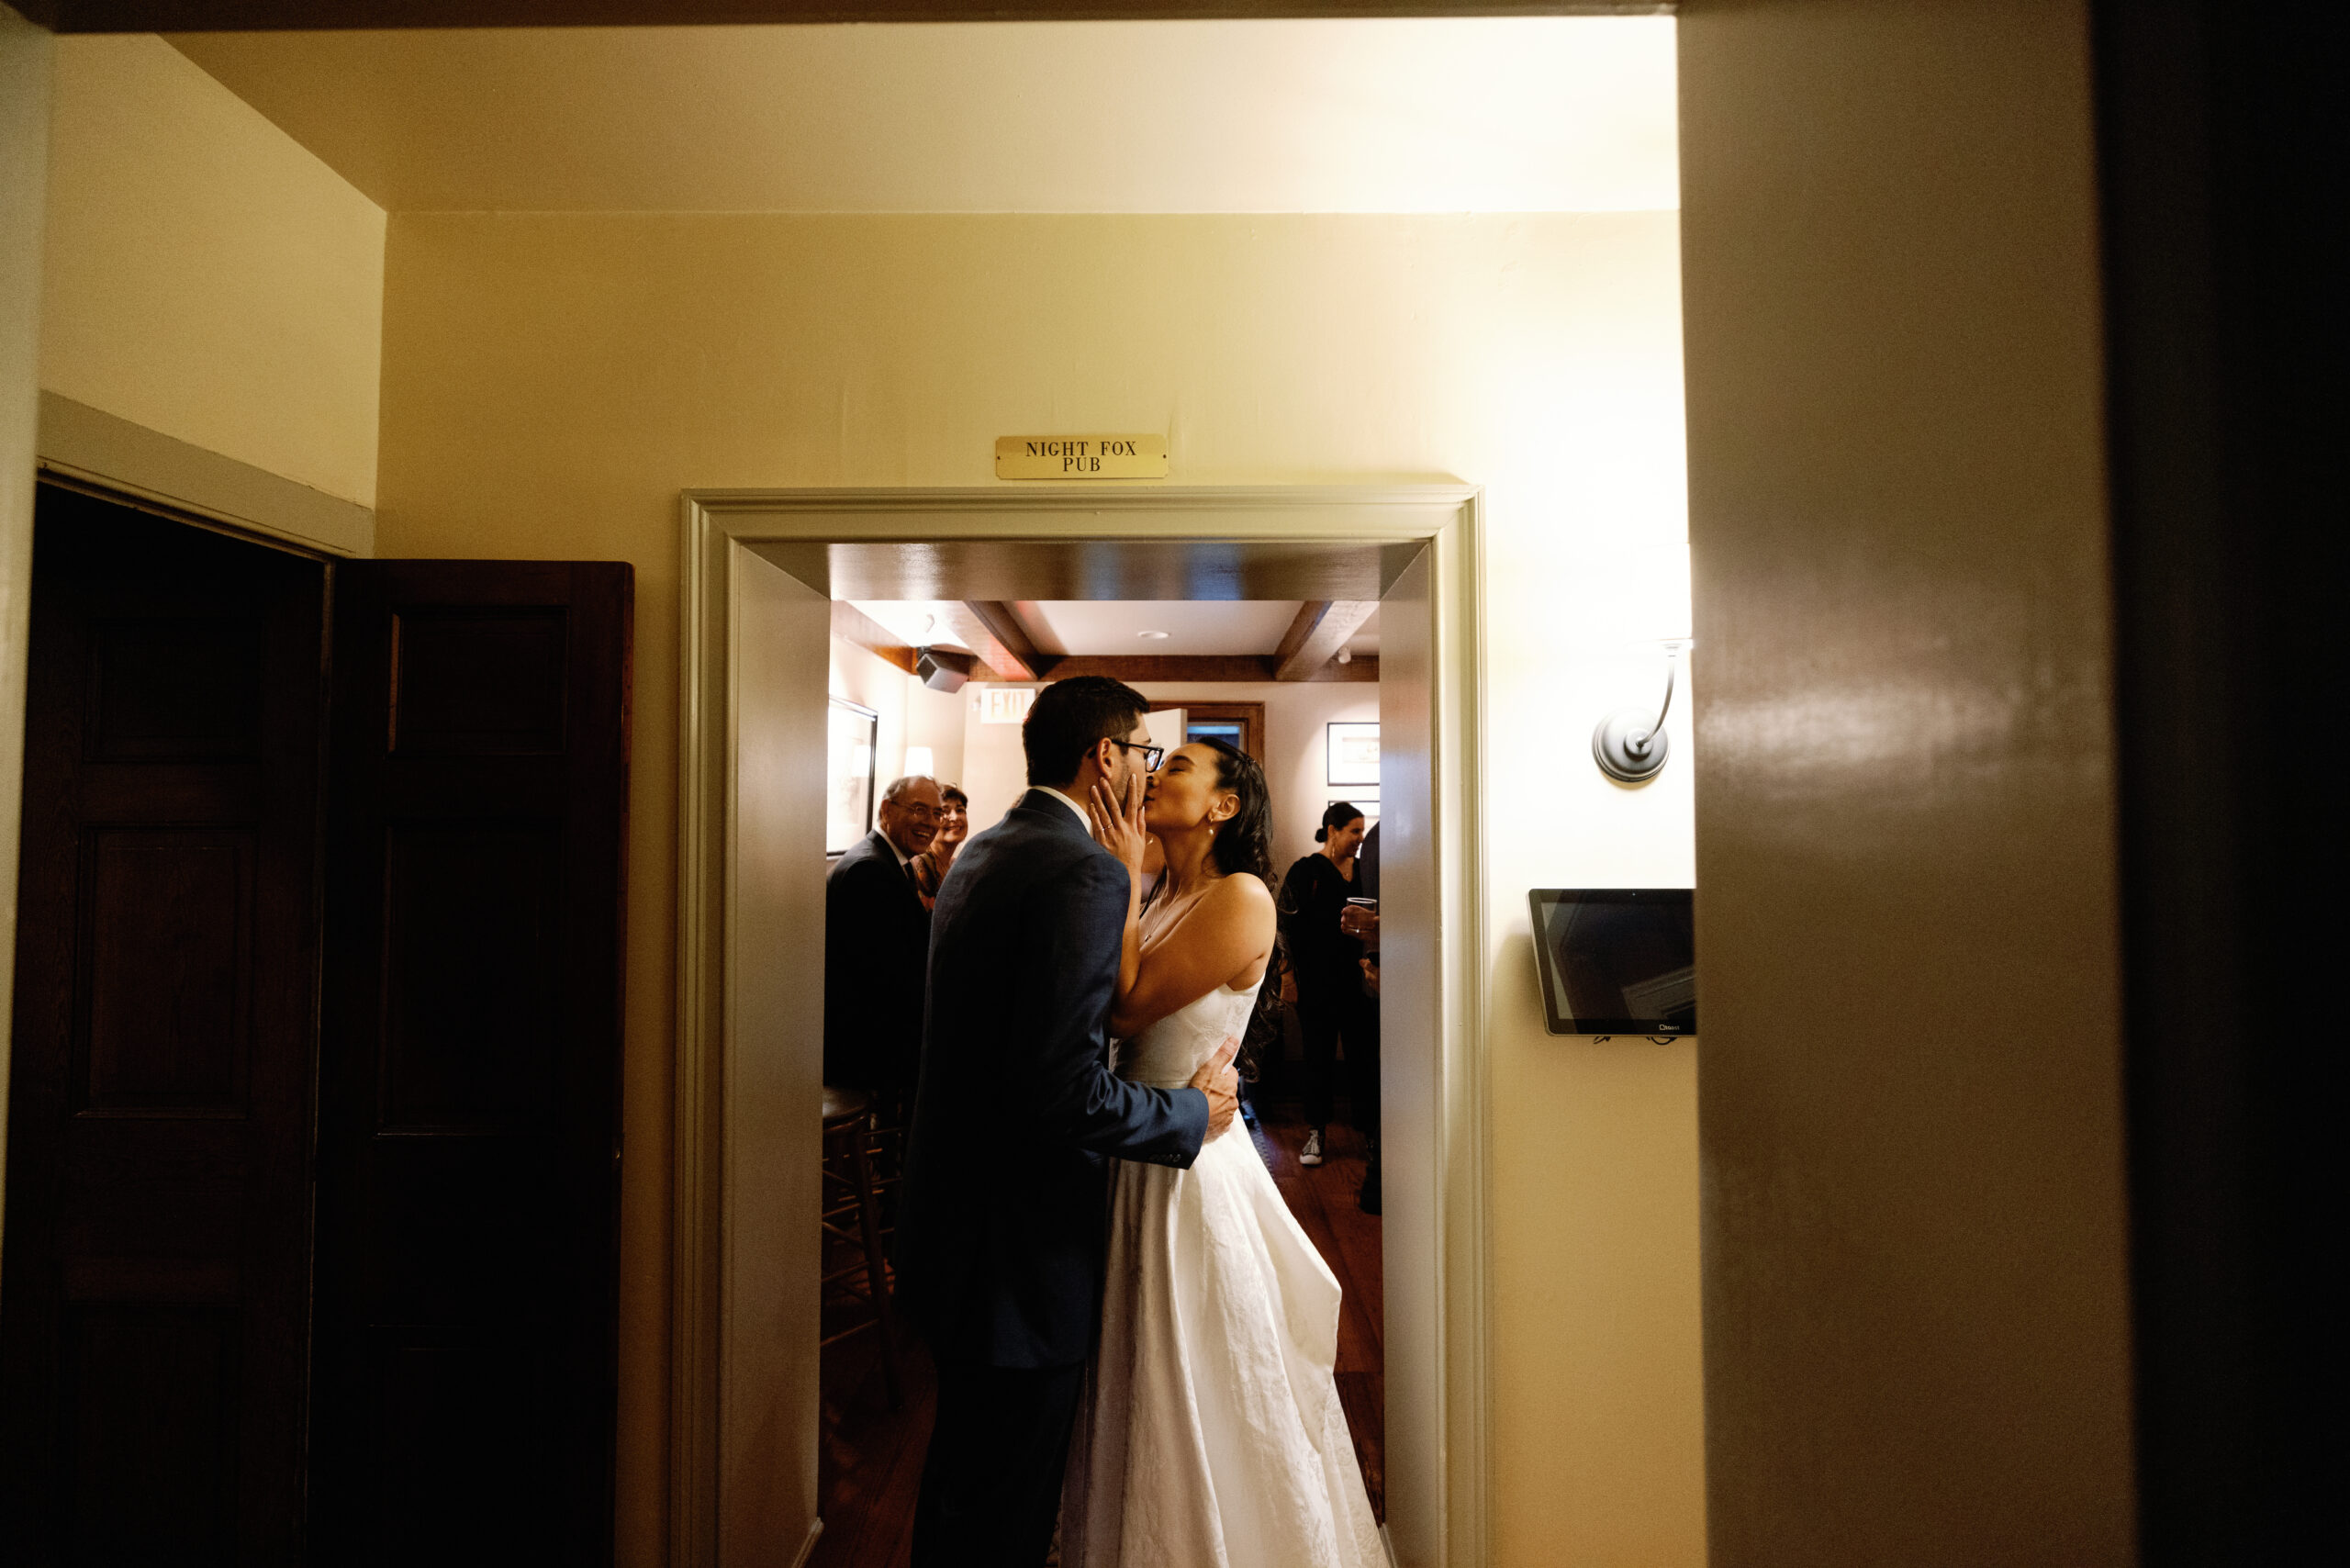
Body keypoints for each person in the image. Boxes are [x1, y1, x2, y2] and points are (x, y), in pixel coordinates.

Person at [897, 678, 1241, 1568]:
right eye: (1146, 753)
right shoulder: (1084, 870)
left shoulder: (984, 848)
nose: (1149, 772)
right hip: (1020, 1248)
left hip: (951, 1222)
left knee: (961, 1483)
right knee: (1003, 1511)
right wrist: (1190, 1111)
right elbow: (1062, 1090)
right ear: (1105, 757)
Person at [1065, 739, 1386, 1568]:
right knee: (1137, 1367)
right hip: (1140, 1143)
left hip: (1187, 1167)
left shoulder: (1240, 894)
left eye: (1175, 767)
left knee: (1194, 1366)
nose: (1153, 775)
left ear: (1224, 806)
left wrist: (1117, 873)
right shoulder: (1167, 890)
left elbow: (1127, 1009)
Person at [823, 774, 944, 1119]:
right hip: (864, 1045)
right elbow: (886, 978)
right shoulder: (870, 870)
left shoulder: (888, 861)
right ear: (887, 809)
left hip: (876, 1032)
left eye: (936, 813)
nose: (930, 822)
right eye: (919, 810)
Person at [1278, 804, 1376, 1170]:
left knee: (1364, 1059)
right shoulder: (1305, 871)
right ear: (1332, 830)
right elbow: (1282, 928)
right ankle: (1316, 1131)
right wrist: (1287, 978)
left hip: (1360, 982)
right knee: (1317, 1057)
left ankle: (1370, 1134)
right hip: (1316, 983)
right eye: (1354, 831)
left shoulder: (1365, 871)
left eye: (1363, 831)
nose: (1360, 838)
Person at [1338, 820, 1382, 1214]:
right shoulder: (1383, 838)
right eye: (1352, 830)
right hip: (1371, 984)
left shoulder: (1382, 838)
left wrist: (1379, 929)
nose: (1360, 836)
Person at [909, 782, 968, 908]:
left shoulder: (955, 864)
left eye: (960, 810)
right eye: (944, 811)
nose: (955, 817)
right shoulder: (920, 864)